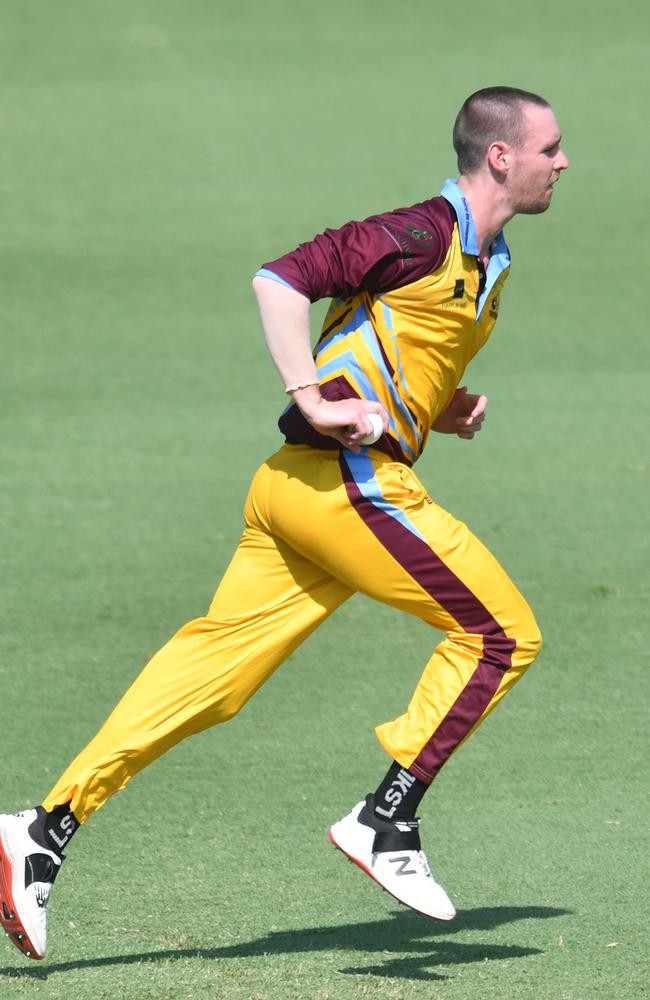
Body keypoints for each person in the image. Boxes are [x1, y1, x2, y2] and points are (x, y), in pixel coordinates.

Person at [0, 86, 568, 961]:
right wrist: (308, 393)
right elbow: (281, 279)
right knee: (501, 637)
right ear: (500, 156)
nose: (561, 164)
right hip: (346, 485)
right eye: (549, 149)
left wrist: (440, 408)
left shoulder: (484, 261)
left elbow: (388, 342)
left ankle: (43, 829)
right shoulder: (418, 233)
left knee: (210, 677)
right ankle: (388, 817)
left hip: (298, 493)